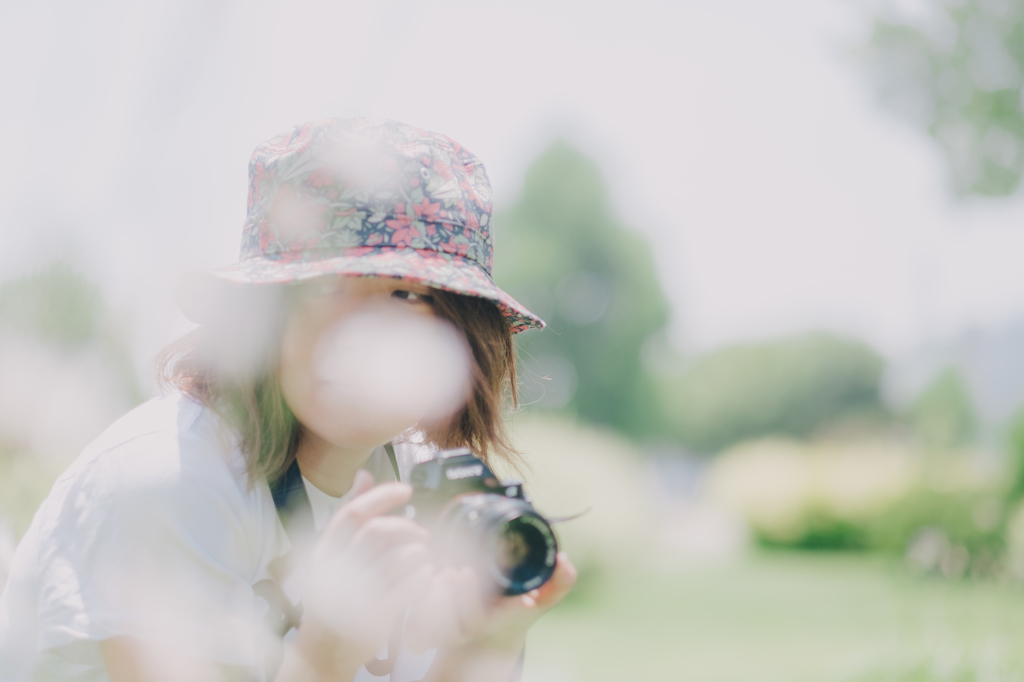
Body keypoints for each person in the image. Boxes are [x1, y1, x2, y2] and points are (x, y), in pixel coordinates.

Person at [0, 118, 576, 682]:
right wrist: (323, 658)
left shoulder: (436, 492)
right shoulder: (171, 477)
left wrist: (481, 652)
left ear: (462, 333)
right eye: (324, 287)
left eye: (407, 294)